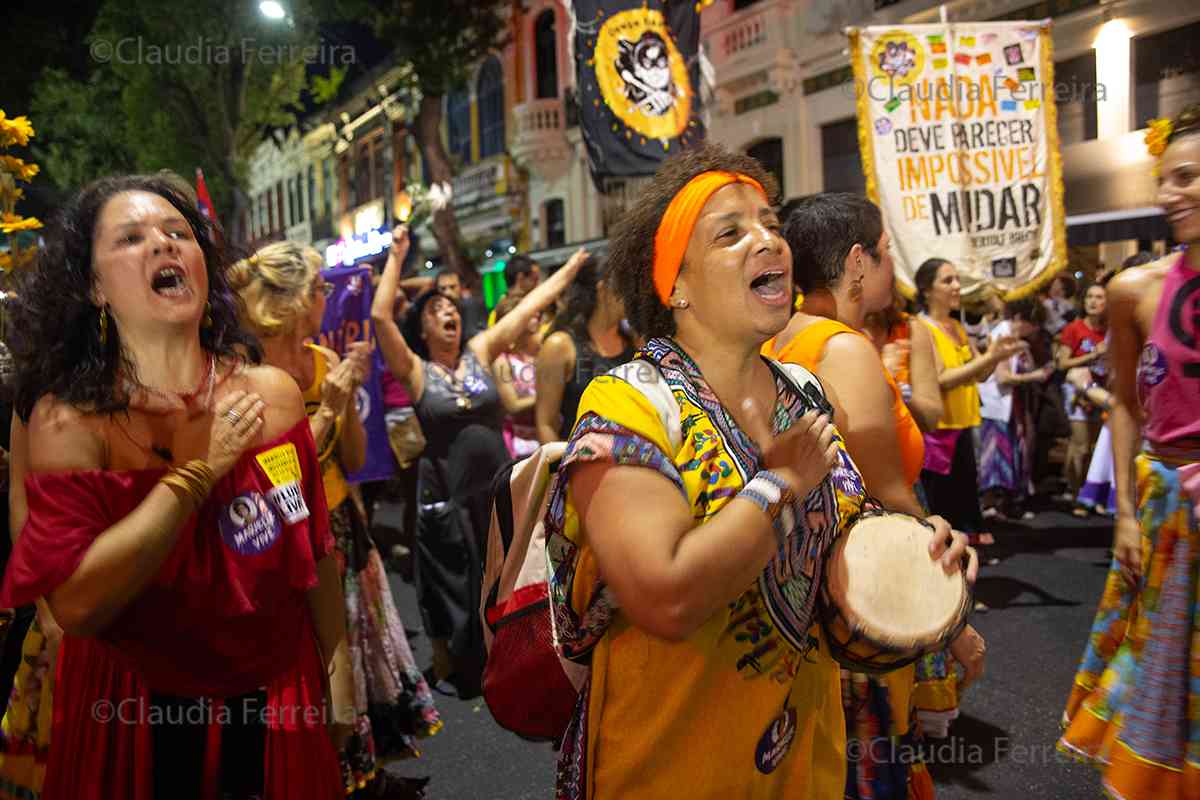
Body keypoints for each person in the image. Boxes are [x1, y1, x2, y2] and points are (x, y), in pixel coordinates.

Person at [543, 144, 973, 799]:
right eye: (730, 233)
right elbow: (666, 596)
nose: (767, 240)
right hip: (672, 770)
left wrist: (921, 559)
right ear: (676, 286)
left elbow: (844, 552)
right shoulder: (627, 402)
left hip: (809, 764)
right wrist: (778, 485)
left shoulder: (802, 389)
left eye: (771, 223)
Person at [0, 173, 348, 798]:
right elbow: (76, 606)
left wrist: (340, 671)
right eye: (131, 239)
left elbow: (314, 549)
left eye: (178, 233)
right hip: (136, 714)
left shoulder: (272, 395)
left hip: (275, 700)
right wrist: (196, 475)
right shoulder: (71, 419)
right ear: (94, 287)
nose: (163, 245)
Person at [765, 192, 981, 798]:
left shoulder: (778, 340)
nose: (892, 268)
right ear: (856, 263)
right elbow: (887, 498)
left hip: (804, 598)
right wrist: (951, 619)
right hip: (859, 599)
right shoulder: (842, 349)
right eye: (886, 254)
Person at [227, 242, 440, 799]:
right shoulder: (252, 376)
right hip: (292, 537)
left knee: (359, 653)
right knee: (320, 663)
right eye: (321, 289)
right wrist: (328, 407)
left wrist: (343, 403)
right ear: (294, 300)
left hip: (341, 519)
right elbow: (282, 479)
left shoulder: (322, 361)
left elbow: (351, 454)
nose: (328, 299)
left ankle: (363, 764)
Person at [370, 226, 586, 698]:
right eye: (434, 313)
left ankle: (517, 651)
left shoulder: (479, 351)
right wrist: (396, 256)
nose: (446, 313)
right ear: (423, 332)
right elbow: (379, 317)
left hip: (497, 488)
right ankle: (461, 656)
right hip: (448, 492)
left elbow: (529, 306)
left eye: (449, 308)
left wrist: (569, 270)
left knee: (514, 568)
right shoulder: (416, 372)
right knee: (457, 578)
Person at [1058, 102, 1200, 799]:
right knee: (1160, 672)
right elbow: (1124, 401)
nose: (1170, 193)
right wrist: (1123, 516)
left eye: (1189, 177)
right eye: (1166, 179)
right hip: (1167, 509)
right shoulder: (1133, 290)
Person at [534, 255, 634, 443]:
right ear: (603, 289)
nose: (632, 294)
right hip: (581, 462)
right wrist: (562, 469)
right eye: (625, 286)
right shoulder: (560, 346)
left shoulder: (633, 342)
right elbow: (545, 423)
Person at [977, 300, 1053, 520]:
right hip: (996, 404)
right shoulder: (1002, 336)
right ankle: (992, 503)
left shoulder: (1019, 340)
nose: (1035, 330)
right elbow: (1003, 377)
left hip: (1012, 406)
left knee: (1011, 453)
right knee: (996, 457)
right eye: (1033, 324)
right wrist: (1035, 376)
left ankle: (1005, 503)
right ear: (1021, 319)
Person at [1055, 282, 1108, 515]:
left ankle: (1093, 494)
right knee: (1081, 446)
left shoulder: (1111, 330)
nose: (1093, 301)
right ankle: (1078, 495)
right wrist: (1093, 355)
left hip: (1104, 393)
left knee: (1098, 449)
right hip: (1078, 393)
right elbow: (1062, 363)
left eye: (1099, 297)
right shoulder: (1074, 329)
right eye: (1089, 296)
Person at [490, 291, 541, 459]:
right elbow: (512, 405)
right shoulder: (503, 360)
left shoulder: (543, 351)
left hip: (552, 438)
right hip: (524, 447)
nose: (537, 314)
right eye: (529, 312)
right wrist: (550, 395)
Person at [486, 254, 542, 327]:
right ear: (520, 278)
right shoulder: (515, 308)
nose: (538, 285)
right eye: (534, 279)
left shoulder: (498, 308)